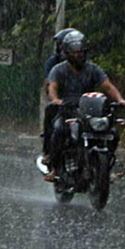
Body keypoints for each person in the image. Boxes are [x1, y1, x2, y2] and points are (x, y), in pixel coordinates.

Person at [45, 30, 125, 182]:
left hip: (89, 110)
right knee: (59, 130)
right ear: (67, 53)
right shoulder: (58, 69)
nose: (78, 55)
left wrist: (121, 99)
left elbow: (108, 86)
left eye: (81, 52)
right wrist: (56, 100)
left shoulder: (93, 69)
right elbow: (52, 87)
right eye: (74, 52)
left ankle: (104, 169)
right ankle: (54, 168)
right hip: (67, 109)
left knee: (112, 134)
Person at [41, 28, 77, 161]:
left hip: (80, 101)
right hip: (62, 101)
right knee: (51, 113)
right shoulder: (54, 63)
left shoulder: (84, 64)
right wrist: (56, 97)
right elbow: (49, 84)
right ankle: (48, 150)